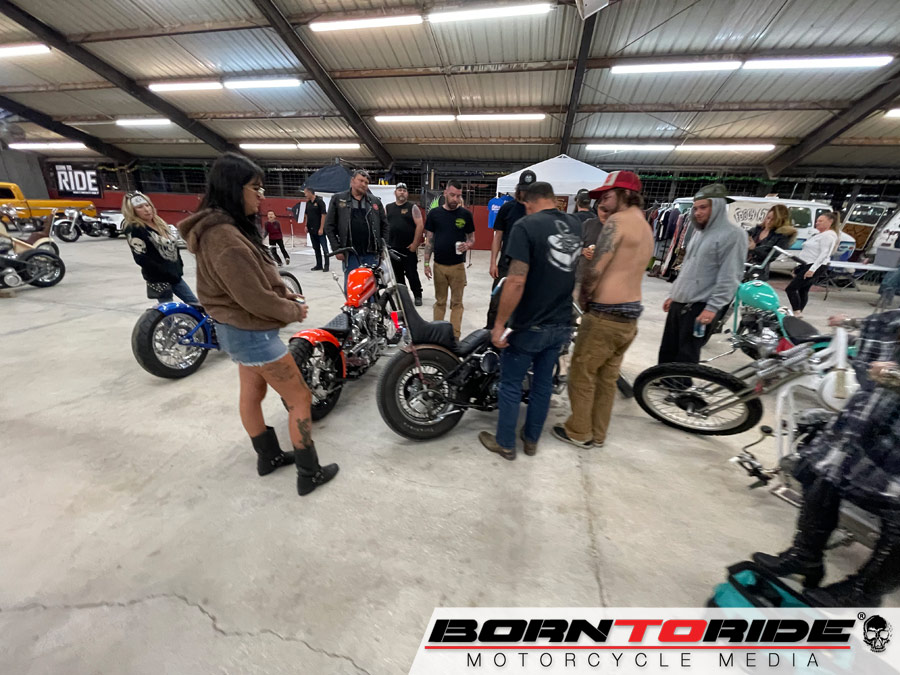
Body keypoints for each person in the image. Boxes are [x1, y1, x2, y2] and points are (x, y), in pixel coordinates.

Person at [178, 153, 338, 497]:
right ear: (233, 189)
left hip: (238, 331)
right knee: (300, 397)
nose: (261, 195)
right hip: (251, 333)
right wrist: (291, 310)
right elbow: (252, 297)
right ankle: (308, 472)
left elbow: (250, 282)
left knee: (252, 394)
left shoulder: (226, 229)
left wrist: (282, 293)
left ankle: (268, 456)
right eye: (255, 188)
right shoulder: (224, 237)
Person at [753, 310, 900, 607]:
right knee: (821, 475)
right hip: (871, 411)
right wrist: (853, 322)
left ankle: (865, 593)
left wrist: (896, 376)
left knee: (896, 516)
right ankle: (805, 557)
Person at [479, 181, 582, 460]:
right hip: (561, 321)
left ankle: (505, 443)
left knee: (511, 383)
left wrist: (499, 324)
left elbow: (515, 281)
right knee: (543, 384)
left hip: (529, 324)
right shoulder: (575, 225)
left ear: (528, 202)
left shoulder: (526, 226)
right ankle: (531, 440)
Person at [552, 171, 653, 449]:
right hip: (629, 319)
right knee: (606, 379)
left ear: (626, 194)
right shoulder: (644, 226)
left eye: (607, 196)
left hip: (604, 316)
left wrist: (584, 300)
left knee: (581, 373)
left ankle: (578, 432)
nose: (603, 202)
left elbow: (595, 270)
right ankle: (598, 433)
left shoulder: (617, 222)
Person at [658, 183, 748, 366]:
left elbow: (730, 275)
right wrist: (674, 294)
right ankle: (661, 380)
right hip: (680, 303)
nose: (697, 212)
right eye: (696, 208)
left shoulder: (733, 235)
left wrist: (713, 308)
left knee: (686, 356)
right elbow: (689, 267)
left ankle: (680, 384)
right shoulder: (699, 233)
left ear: (718, 207)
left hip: (699, 307)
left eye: (703, 207)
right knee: (668, 351)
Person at [122, 191, 198, 304]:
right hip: (158, 278)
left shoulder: (160, 223)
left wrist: (178, 267)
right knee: (166, 308)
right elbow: (141, 258)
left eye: (147, 205)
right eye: (140, 207)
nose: (146, 209)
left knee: (195, 304)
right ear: (132, 211)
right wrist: (162, 270)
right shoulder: (135, 228)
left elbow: (175, 247)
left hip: (175, 276)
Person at [423, 180, 475, 339]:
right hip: (439, 266)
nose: (455, 199)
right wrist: (426, 263)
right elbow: (429, 241)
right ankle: (437, 336)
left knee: (457, 303)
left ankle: (454, 337)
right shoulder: (434, 214)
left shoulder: (466, 215)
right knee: (440, 302)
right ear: (445, 193)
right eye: (452, 195)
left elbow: (472, 238)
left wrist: (468, 245)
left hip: (458, 266)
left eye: (458, 196)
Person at [324, 169, 388, 287]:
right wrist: (337, 248)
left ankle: (372, 300)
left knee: (370, 287)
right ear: (352, 181)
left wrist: (383, 248)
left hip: (371, 253)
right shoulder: (338, 199)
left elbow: (385, 226)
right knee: (352, 287)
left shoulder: (374, 201)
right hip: (350, 253)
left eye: (366, 182)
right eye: (361, 181)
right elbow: (329, 226)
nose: (363, 184)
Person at [485, 171, 532, 328]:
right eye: (524, 190)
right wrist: (493, 263)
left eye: (530, 190)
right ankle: (489, 333)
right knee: (496, 303)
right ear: (519, 189)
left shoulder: (536, 212)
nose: (526, 193)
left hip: (528, 267)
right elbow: (498, 236)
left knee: (522, 306)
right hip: (505, 265)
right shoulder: (507, 208)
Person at [784, 211, 841, 316]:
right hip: (806, 263)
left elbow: (824, 254)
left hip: (815, 265)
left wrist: (812, 269)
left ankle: (796, 311)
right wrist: (798, 267)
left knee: (791, 289)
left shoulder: (828, 236)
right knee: (803, 290)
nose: (817, 223)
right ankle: (799, 311)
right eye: (817, 221)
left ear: (830, 222)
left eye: (821, 221)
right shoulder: (819, 234)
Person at [385, 182, 424, 306]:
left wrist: (415, 244)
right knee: (398, 275)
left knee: (412, 274)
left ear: (407, 194)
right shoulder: (388, 207)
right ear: (395, 192)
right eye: (399, 190)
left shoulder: (413, 207)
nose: (402, 192)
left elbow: (420, 225)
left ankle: (417, 295)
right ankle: (403, 296)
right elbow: (384, 226)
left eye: (404, 190)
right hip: (393, 248)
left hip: (408, 248)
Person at [746, 204, 797, 279]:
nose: (768, 221)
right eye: (768, 218)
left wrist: (754, 249)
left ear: (780, 221)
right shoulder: (757, 229)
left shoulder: (782, 236)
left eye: (773, 220)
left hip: (758, 271)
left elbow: (771, 257)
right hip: (741, 266)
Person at [574, 203, 609, 306]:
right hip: (582, 277)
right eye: (602, 209)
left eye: (608, 210)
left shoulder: (618, 228)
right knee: (578, 308)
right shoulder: (588, 224)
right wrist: (583, 250)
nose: (604, 214)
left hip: (605, 281)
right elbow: (574, 245)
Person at [303, 187, 329, 272]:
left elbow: (323, 215)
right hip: (311, 229)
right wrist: (306, 225)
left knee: (324, 248)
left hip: (319, 229)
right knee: (316, 248)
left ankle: (326, 265)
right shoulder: (308, 203)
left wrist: (321, 228)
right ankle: (319, 264)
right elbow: (306, 215)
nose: (305, 195)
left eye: (306, 193)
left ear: (310, 192)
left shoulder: (320, 202)